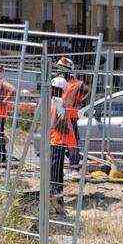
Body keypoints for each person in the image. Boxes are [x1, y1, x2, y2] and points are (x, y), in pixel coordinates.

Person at [56, 57, 90, 172]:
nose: (60, 71)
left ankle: (74, 167)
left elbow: (87, 91)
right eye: (59, 68)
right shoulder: (57, 81)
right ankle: (57, 165)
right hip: (58, 116)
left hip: (71, 117)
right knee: (57, 141)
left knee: (73, 142)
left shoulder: (77, 84)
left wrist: (79, 101)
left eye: (62, 68)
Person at [49, 76, 78, 207]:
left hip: (57, 142)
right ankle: (56, 194)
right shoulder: (56, 102)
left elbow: (58, 123)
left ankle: (56, 195)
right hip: (56, 141)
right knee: (56, 170)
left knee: (55, 170)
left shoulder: (58, 102)